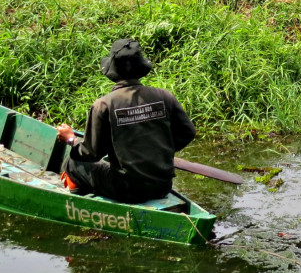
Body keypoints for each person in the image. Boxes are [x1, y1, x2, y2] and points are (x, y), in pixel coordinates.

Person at [56, 39, 196, 202]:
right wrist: (162, 150)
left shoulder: (104, 105)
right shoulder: (164, 96)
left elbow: (91, 153)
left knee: (73, 163)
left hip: (126, 189)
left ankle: (81, 204)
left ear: (114, 70)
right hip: (163, 186)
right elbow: (188, 132)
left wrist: (71, 139)